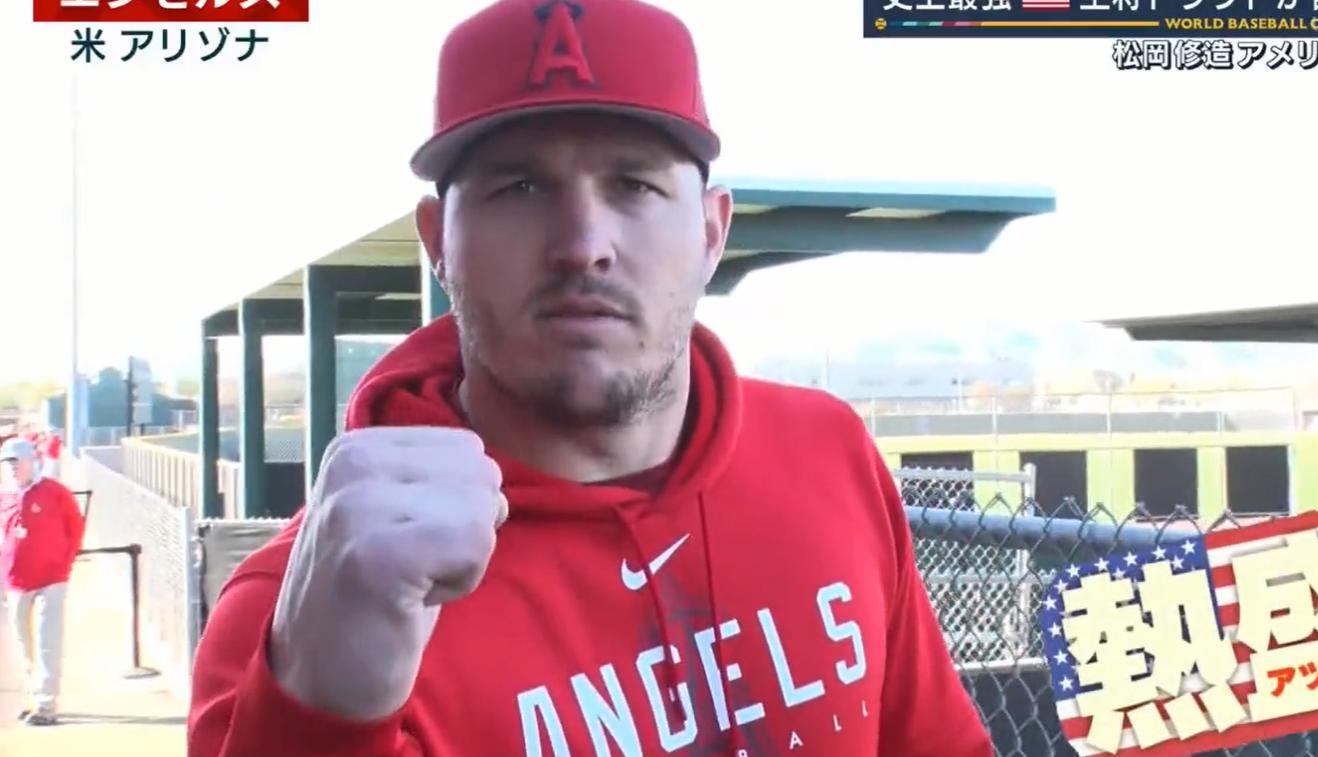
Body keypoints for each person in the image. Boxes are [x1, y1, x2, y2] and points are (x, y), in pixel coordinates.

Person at [187, 0, 994, 754]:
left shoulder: (828, 452)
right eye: (520, 187)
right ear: (437, 242)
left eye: (634, 184)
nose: (582, 244)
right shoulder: (297, 622)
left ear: (712, 232)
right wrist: (319, 715)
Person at [1, 437, 85, 726]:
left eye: (16, 462)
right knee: (23, 642)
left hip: (52, 579)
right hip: (15, 581)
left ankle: (47, 705)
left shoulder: (54, 492)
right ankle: (33, 696)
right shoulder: (4, 495)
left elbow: (75, 527)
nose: (12, 468)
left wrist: (65, 563)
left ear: (30, 462)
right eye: (7, 463)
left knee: (47, 640)